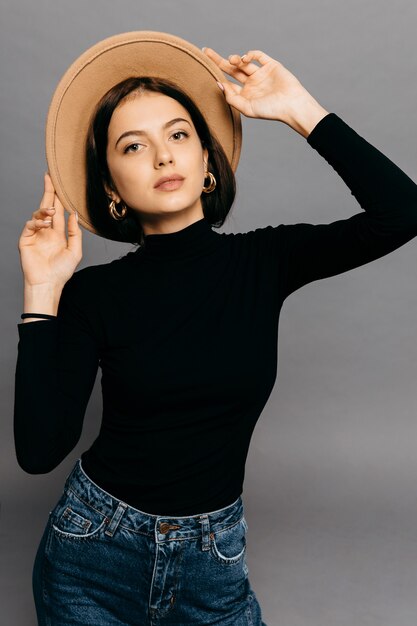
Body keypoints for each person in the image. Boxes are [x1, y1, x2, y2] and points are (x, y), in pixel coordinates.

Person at [14, 31, 417, 626]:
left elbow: (402, 212)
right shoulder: (93, 295)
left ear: (207, 160)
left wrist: (299, 110)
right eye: (132, 146)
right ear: (111, 190)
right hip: (91, 555)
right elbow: (38, 451)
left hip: (214, 559)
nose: (163, 156)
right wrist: (42, 290)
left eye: (179, 135)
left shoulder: (266, 261)